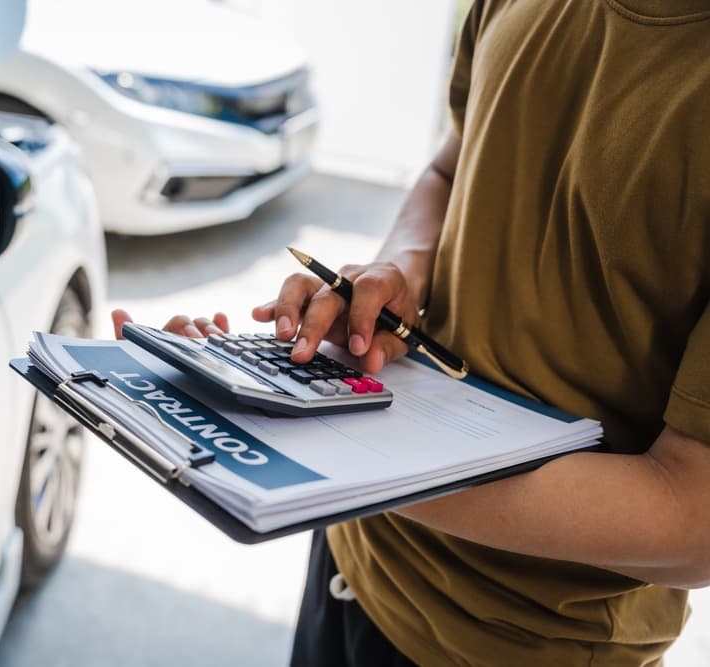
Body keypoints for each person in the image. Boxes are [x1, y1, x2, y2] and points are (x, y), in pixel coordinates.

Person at [114, 0, 710, 663]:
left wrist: (332, 458)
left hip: (514, 641)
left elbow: (693, 522)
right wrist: (403, 268)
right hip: (352, 557)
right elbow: (448, 171)